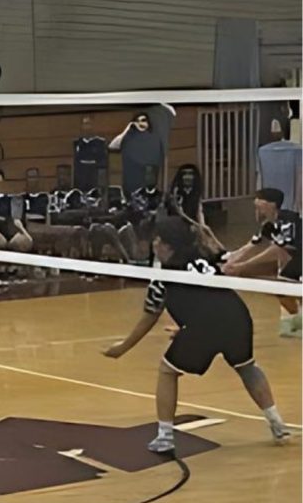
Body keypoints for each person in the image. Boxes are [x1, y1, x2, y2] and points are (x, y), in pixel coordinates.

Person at [104, 216, 290, 451]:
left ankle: (164, 437)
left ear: (168, 245)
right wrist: (186, 327)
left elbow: (150, 316)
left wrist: (123, 347)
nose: (154, 245)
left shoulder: (164, 277)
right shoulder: (204, 259)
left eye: (157, 241)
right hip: (238, 318)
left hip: (205, 327)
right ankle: (277, 423)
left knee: (167, 370)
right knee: (247, 366)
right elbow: (206, 297)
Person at [222, 188, 302, 337]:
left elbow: (280, 249)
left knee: (285, 285)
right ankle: (295, 318)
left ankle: (297, 318)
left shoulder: (287, 220)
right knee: (282, 287)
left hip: (299, 257)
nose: (256, 208)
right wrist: (230, 259)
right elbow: (252, 244)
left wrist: (243, 266)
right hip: (294, 259)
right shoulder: (269, 225)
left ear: (270, 205)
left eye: (259, 204)